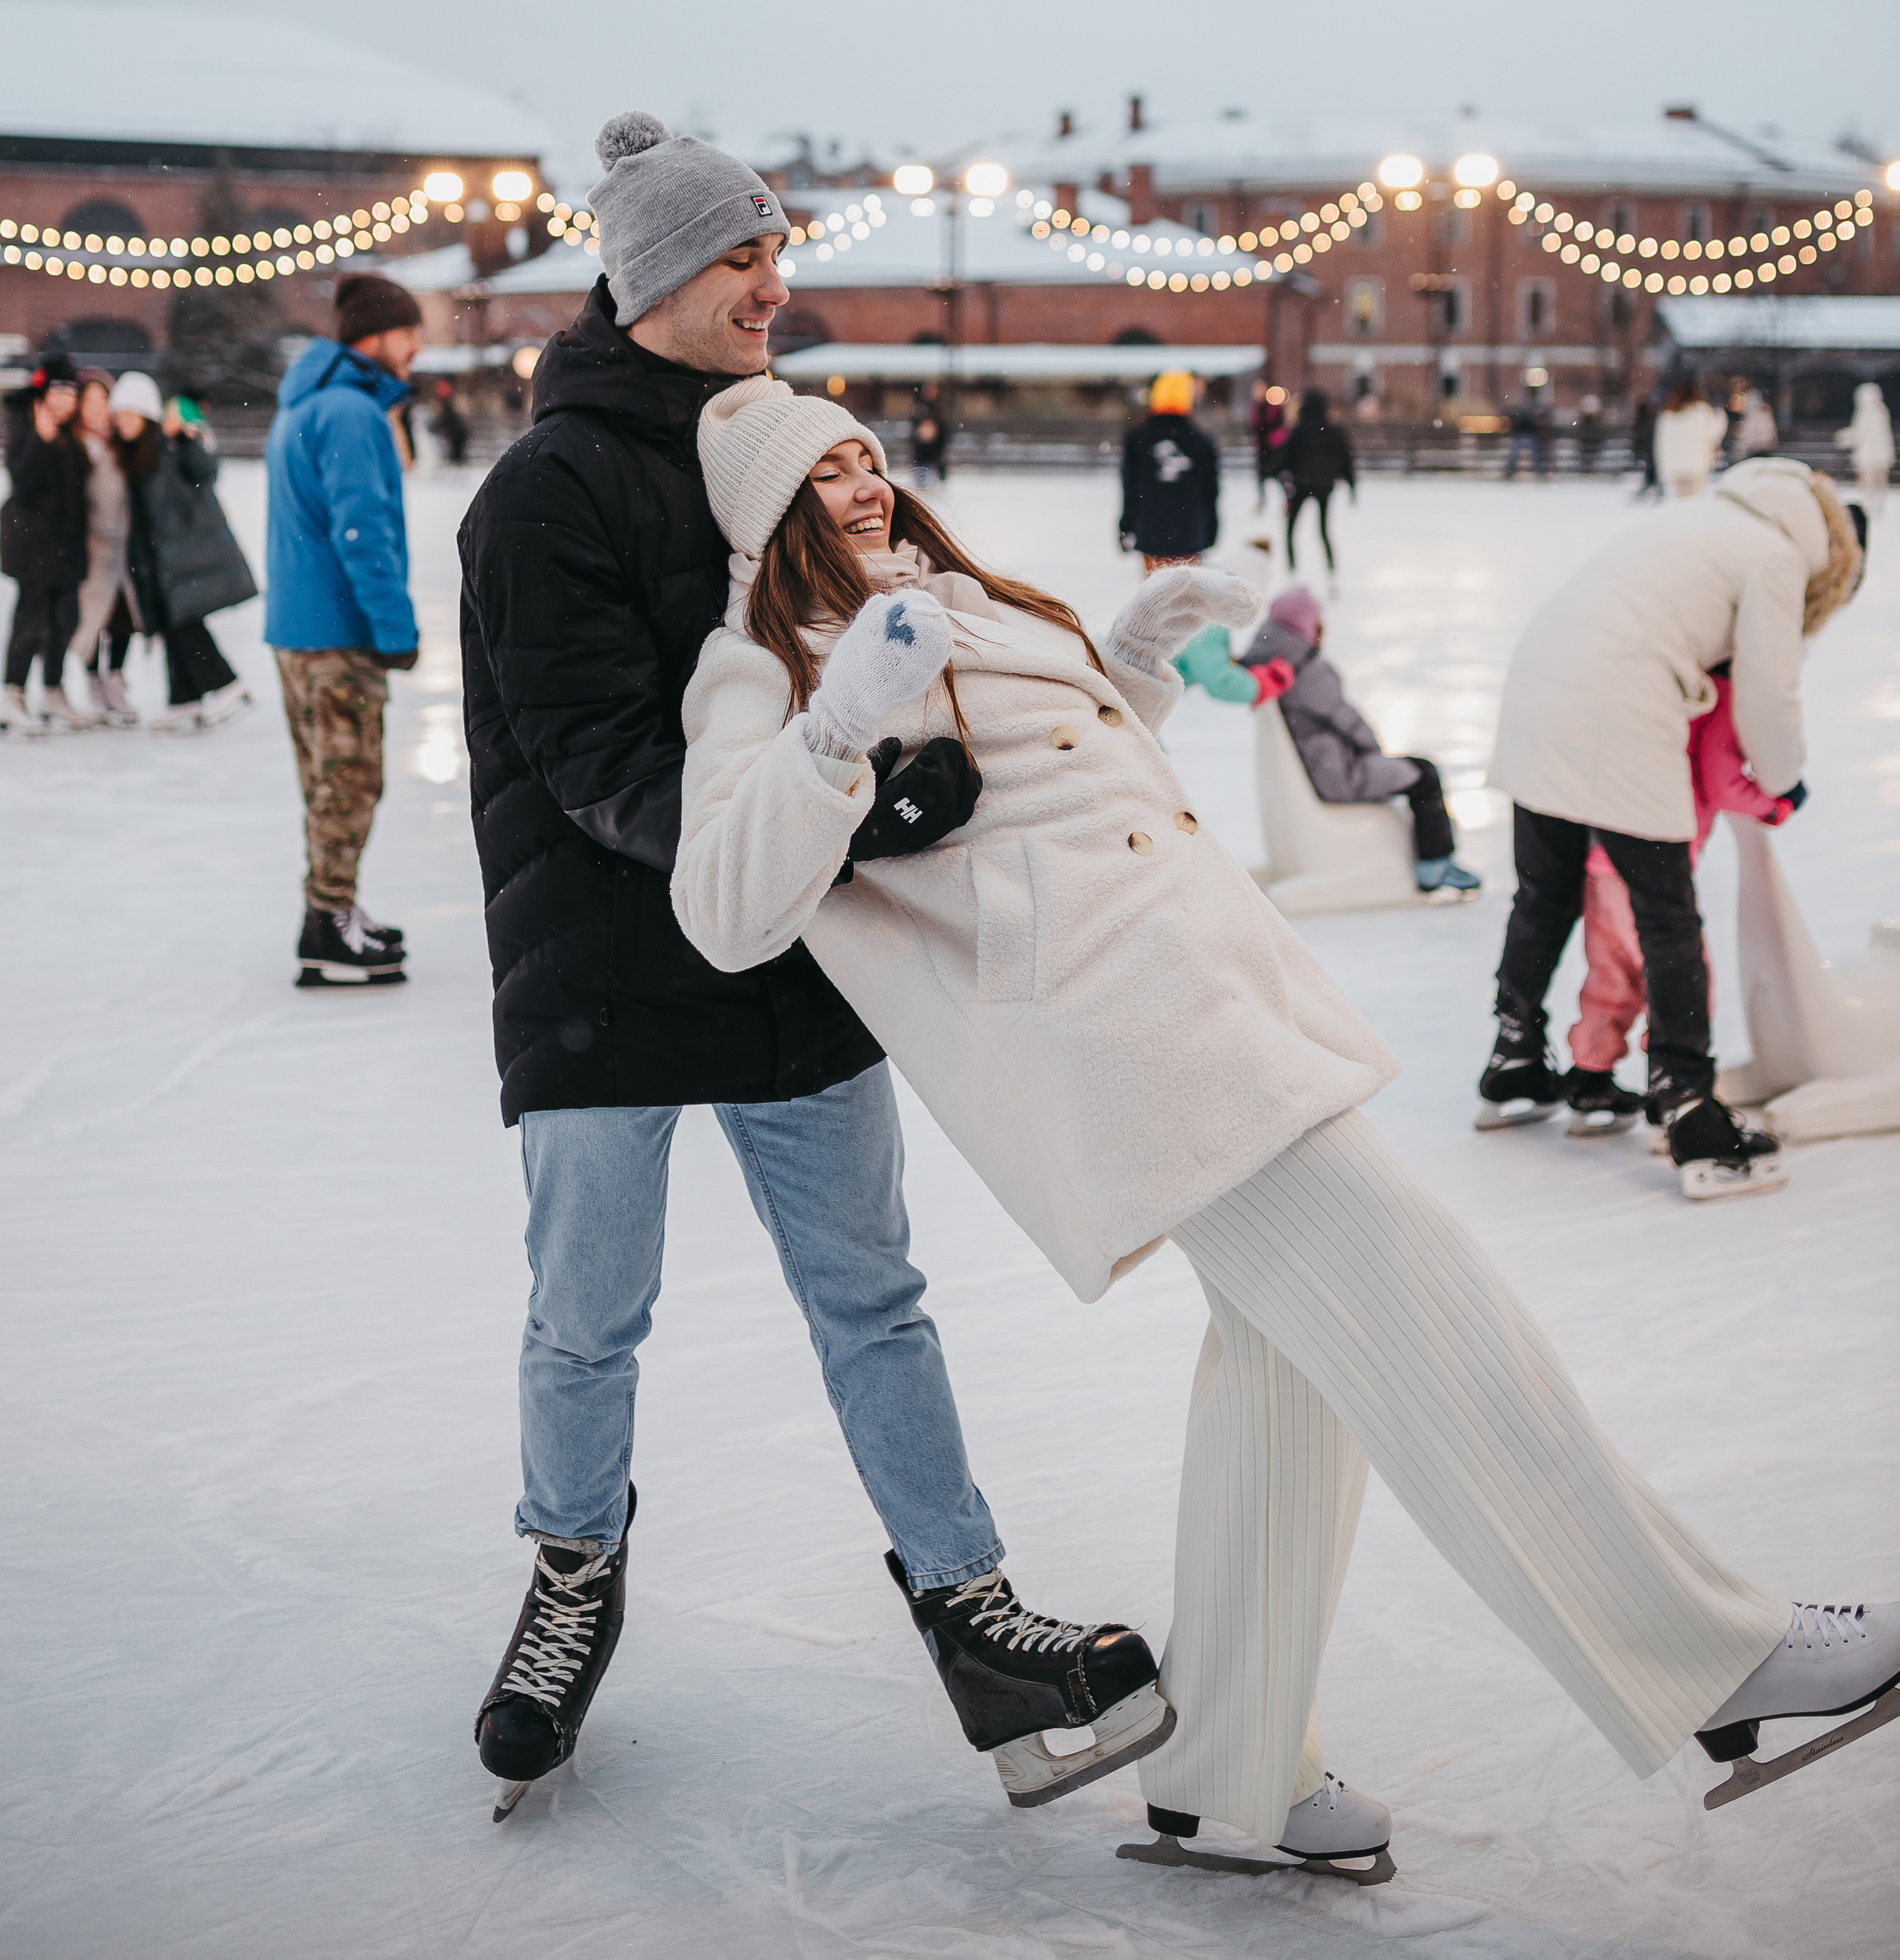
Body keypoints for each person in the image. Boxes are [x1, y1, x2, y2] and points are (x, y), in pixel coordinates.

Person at [671, 389, 1898, 1882]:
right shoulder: (759, 665)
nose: (861, 482)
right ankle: (1710, 1655)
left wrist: (1127, 661)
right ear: (764, 510)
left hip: (1208, 988)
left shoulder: (945, 595)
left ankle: (1226, 1769)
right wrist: (836, 725)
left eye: (866, 454)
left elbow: (1062, 783)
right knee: (1426, 1301)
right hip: (1125, 1045)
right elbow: (724, 910)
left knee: (1291, 1372)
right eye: (821, 471)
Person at [458, 113, 1150, 1822]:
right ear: (653, 279)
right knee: (586, 1320)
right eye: (743, 257)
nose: (778, 284)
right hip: (605, 970)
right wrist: (823, 822)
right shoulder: (547, 491)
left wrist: (927, 778)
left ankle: (972, 1615)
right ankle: (569, 1580)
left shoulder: (769, 445)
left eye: (776, 250)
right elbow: (595, 757)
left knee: (872, 1304)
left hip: (788, 971)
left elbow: (883, 649)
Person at [1482, 458, 1865, 1195]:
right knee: (1666, 917)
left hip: (1537, 690)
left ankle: (1514, 1061)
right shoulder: (1779, 556)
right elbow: (1767, 694)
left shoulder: (1699, 519)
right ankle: (1690, 1112)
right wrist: (1784, 785)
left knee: (1546, 894)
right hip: (1619, 711)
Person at [265, 275, 424, 988]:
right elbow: (364, 533)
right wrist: (394, 627)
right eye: (408, 331)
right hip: (338, 628)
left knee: (324, 779)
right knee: (350, 779)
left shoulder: (304, 406)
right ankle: (326, 923)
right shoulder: (352, 414)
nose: (418, 346)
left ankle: (334, 909)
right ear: (375, 337)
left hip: (299, 628)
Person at [1563, 672, 1805, 1137]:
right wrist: (1776, 805)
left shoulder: (1653, 680)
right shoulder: (1719, 690)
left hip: (1603, 852)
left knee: (1611, 972)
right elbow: (1720, 779)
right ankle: (1676, 1092)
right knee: (1679, 974)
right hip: (1654, 852)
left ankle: (1589, 1078)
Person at [1241, 586, 1481, 894]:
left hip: (1321, 766)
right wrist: (1372, 751)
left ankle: (1432, 858)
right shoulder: (1306, 668)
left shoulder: (1268, 660)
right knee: (1424, 773)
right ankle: (1435, 864)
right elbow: (1346, 719)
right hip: (1339, 775)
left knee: (1414, 770)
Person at [107, 374, 258, 734]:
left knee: (184, 623)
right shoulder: (132, 454)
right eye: (119, 415)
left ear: (146, 415)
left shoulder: (169, 445)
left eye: (130, 414)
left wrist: (189, 436)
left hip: (182, 556)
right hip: (155, 560)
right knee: (169, 623)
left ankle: (228, 685)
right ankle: (185, 701)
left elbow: (205, 470)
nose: (123, 421)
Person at [0, 347, 91, 736]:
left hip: (65, 546)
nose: (66, 404)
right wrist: (40, 439)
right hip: (32, 545)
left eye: (72, 396)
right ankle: (12, 695)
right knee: (31, 620)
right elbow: (22, 481)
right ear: (43, 394)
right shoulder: (26, 425)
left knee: (63, 619)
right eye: (59, 394)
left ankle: (53, 689)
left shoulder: (70, 433)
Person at [63, 370, 137, 723]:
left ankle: (116, 681)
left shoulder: (121, 441)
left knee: (124, 616)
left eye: (102, 400)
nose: (97, 408)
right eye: (89, 401)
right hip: (92, 545)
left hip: (126, 544)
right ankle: (93, 682)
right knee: (93, 617)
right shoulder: (76, 444)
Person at [1119, 371, 1219, 567]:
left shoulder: (1138, 439)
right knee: (1189, 595)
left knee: (1155, 593)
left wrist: (1126, 526)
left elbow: (1130, 488)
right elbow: (1211, 491)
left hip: (1151, 532)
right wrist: (1210, 531)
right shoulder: (1202, 441)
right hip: (1190, 533)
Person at [1277, 386, 1353, 573]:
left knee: (1290, 531)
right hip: (1324, 486)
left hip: (1301, 485)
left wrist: (1283, 480)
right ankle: (1330, 567)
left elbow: (1284, 459)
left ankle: (1292, 568)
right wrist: (1352, 486)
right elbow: (1346, 459)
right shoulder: (1333, 432)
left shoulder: (1299, 430)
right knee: (1324, 531)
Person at [1653, 374, 1726, 500]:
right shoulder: (1701, 411)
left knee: (1680, 502)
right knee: (1694, 502)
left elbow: (1660, 442)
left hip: (1674, 465)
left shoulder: (1667, 414)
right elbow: (1714, 433)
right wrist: (1721, 415)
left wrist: (1661, 466)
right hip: (1696, 462)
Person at [1836, 382, 1893, 512]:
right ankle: (1878, 502)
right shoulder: (1882, 412)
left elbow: (1859, 434)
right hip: (1880, 454)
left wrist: (1844, 437)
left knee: (1869, 480)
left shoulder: (1865, 414)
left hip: (1869, 454)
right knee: (1879, 480)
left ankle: (1872, 502)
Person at [428, 377, 471, 468]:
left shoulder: (446, 407)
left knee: (457, 456)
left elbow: (444, 420)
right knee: (457, 456)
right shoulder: (448, 406)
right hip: (457, 434)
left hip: (457, 434)